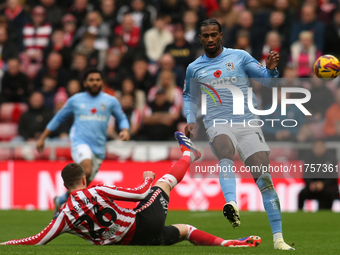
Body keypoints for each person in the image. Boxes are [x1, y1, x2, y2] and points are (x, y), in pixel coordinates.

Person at [1, 132, 261, 248]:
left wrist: (8, 243)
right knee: (164, 183)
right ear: (84, 177)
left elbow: (38, 239)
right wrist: (147, 180)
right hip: (140, 224)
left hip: (129, 240)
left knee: (184, 231)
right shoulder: (97, 190)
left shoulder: (64, 214)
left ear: (65, 185)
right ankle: (189, 154)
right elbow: (137, 195)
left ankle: (229, 244)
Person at [183, 19, 294, 250]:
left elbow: (266, 80)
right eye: (206, 35)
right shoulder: (194, 68)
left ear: (221, 35)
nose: (210, 39)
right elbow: (190, 97)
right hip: (218, 123)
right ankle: (232, 203)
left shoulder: (240, 57)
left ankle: (279, 239)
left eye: (214, 34)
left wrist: (271, 69)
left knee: (264, 180)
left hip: (248, 122)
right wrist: (191, 121)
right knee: (225, 150)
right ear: (200, 38)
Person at [36, 68, 130, 214]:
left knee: (81, 185)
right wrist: (43, 137)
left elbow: (122, 117)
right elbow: (59, 117)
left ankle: (59, 200)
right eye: (91, 80)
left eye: (97, 80)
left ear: (102, 82)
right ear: (85, 83)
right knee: (85, 170)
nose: (94, 83)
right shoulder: (75, 100)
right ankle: (78, 212)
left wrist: (125, 129)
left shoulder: (110, 101)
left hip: (98, 148)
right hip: (80, 142)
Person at [298, 141, 339, 210]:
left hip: (326, 186)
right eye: (317, 147)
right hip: (312, 186)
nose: (318, 149)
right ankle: (299, 212)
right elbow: (306, 174)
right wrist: (311, 184)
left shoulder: (331, 159)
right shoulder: (308, 159)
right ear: (313, 149)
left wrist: (323, 184)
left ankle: (327, 212)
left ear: (324, 148)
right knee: (302, 193)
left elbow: (333, 176)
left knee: (329, 193)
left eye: (320, 147)